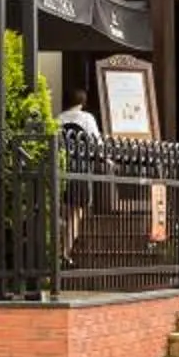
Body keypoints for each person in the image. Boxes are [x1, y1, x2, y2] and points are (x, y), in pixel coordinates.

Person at [58, 87, 103, 260]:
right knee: (76, 213)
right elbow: (96, 144)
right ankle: (65, 251)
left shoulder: (59, 119)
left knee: (62, 210)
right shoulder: (86, 118)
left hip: (62, 169)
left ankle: (57, 246)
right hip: (81, 169)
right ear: (82, 102)